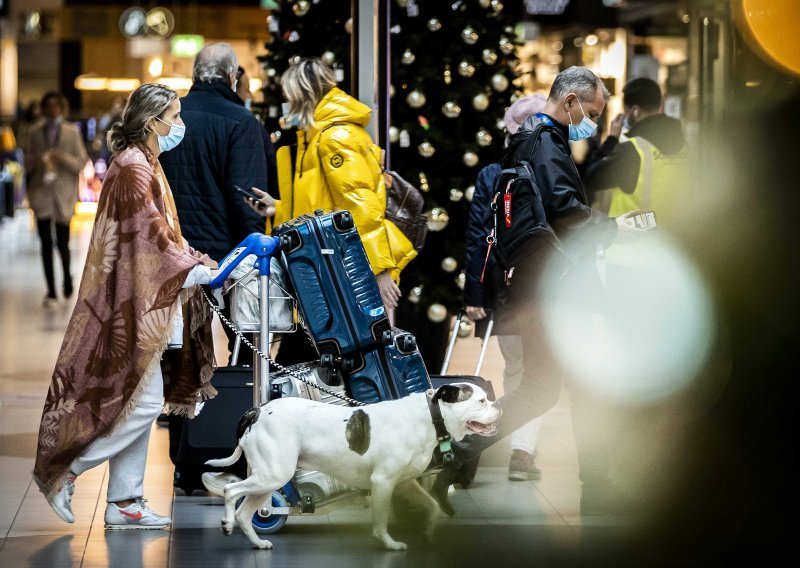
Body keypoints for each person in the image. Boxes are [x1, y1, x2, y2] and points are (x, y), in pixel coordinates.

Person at [433, 66, 645, 517]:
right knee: (585, 383)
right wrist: (615, 228)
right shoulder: (547, 146)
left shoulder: (524, 142)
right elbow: (567, 213)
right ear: (569, 101)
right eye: (589, 112)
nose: (589, 122)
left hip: (532, 287)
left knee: (541, 388)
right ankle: (598, 487)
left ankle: (452, 456)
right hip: (558, 289)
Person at [202, 57, 418, 498]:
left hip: (349, 280)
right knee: (324, 370)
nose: (282, 100)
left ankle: (380, 471)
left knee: (359, 371)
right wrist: (277, 211)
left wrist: (379, 272)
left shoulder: (335, 137)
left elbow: (364, 212)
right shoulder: (313, 138)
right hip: (325, 279)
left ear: (303, 93)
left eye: (287, 92)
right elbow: (318, 211)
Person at [32, 83, 218, 529]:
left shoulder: (145, 162)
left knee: (138, 396)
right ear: (152, 121)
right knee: (144, 399)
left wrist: (191, 257)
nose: (179, 124)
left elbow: (162, 231)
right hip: (135, 302)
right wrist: (191, 268)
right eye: (173, 116)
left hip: (141, 299)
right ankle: (65, 472)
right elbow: (147, 239)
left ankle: (124, 501)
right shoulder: (135, 167)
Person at [160, 43, 268, 365]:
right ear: (232, 76)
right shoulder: (241, 121)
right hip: (226, 259)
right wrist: (253, 253)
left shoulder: (171, 117)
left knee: (183, 348)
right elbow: (246, 196)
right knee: (244, 347)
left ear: (195, 75)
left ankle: (180, 413)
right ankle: (244, 406)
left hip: (176, 252)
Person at [463, 94, 548, 482]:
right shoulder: (553, 170)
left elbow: (479, 239)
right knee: (541, 377)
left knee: (519, 370)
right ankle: (521, 452)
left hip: (507, 294)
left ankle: (480, 442)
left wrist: (475, 296)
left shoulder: (492, 174)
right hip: (545, 292)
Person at [584, 77, 688, 225]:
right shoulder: (685, 146)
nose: (624, 116)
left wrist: (612, 138)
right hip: (675, 237)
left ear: (636, 111)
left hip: (635, 242)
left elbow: (592, 177)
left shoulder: (633, 151)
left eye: (625, 111)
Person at [24, 92, 89, 306]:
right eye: (48, 106)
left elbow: (81, 162)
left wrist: (62, 157)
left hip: (63, 194)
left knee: (63, 241)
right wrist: (37, 160)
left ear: (61, 108)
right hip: (41, 192)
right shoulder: (34, 133)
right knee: (45, 242)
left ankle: (67, 279)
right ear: (43, 109)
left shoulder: (71, 133)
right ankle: (51, 290)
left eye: (56, 106)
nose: (52, 110)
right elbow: (27, 162)